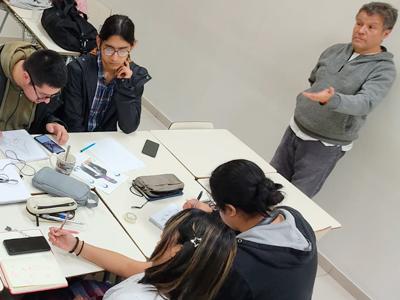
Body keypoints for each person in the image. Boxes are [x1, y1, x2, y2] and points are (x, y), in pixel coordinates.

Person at [270, 2, 398, 198]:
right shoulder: (335, 50)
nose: (361, 30)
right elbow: (314, 78)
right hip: (295, 129)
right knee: (268, 188)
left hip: (324, 146)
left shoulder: (384, 70)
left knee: (293, 202)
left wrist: (333, 100)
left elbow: (365, 103)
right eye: (358, 23)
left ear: (386, 33)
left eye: (370, 27)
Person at [184, 159, 318, 300]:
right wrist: (211, 213)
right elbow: (243, 223)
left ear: (230, 209)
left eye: (217, 205)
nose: (216, 208)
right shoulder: (294, 218)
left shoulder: (236, 267)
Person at [47, 209, 237, 300]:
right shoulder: (185, 277)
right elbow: (128, 267)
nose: (160, 237)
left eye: (167, 234)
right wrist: (76, 246)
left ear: (176, 251)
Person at [59, 14, 151, 133]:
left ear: (132, 46)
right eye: (109, 49)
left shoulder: (134, 76)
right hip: (75, 137)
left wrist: (125, 85)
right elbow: (73, 122)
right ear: (99, 42)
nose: (114, 58)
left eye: (123, 51)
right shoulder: (78, 70)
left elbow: (129, 127)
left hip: (103, 141)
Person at [0, 41, 68, 144]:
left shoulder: (44, 75)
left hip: (21, 146)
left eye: (52, 95)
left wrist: (52, 123)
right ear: (26, 77)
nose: (47, 101)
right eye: (43, 95)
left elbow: (44, 115)